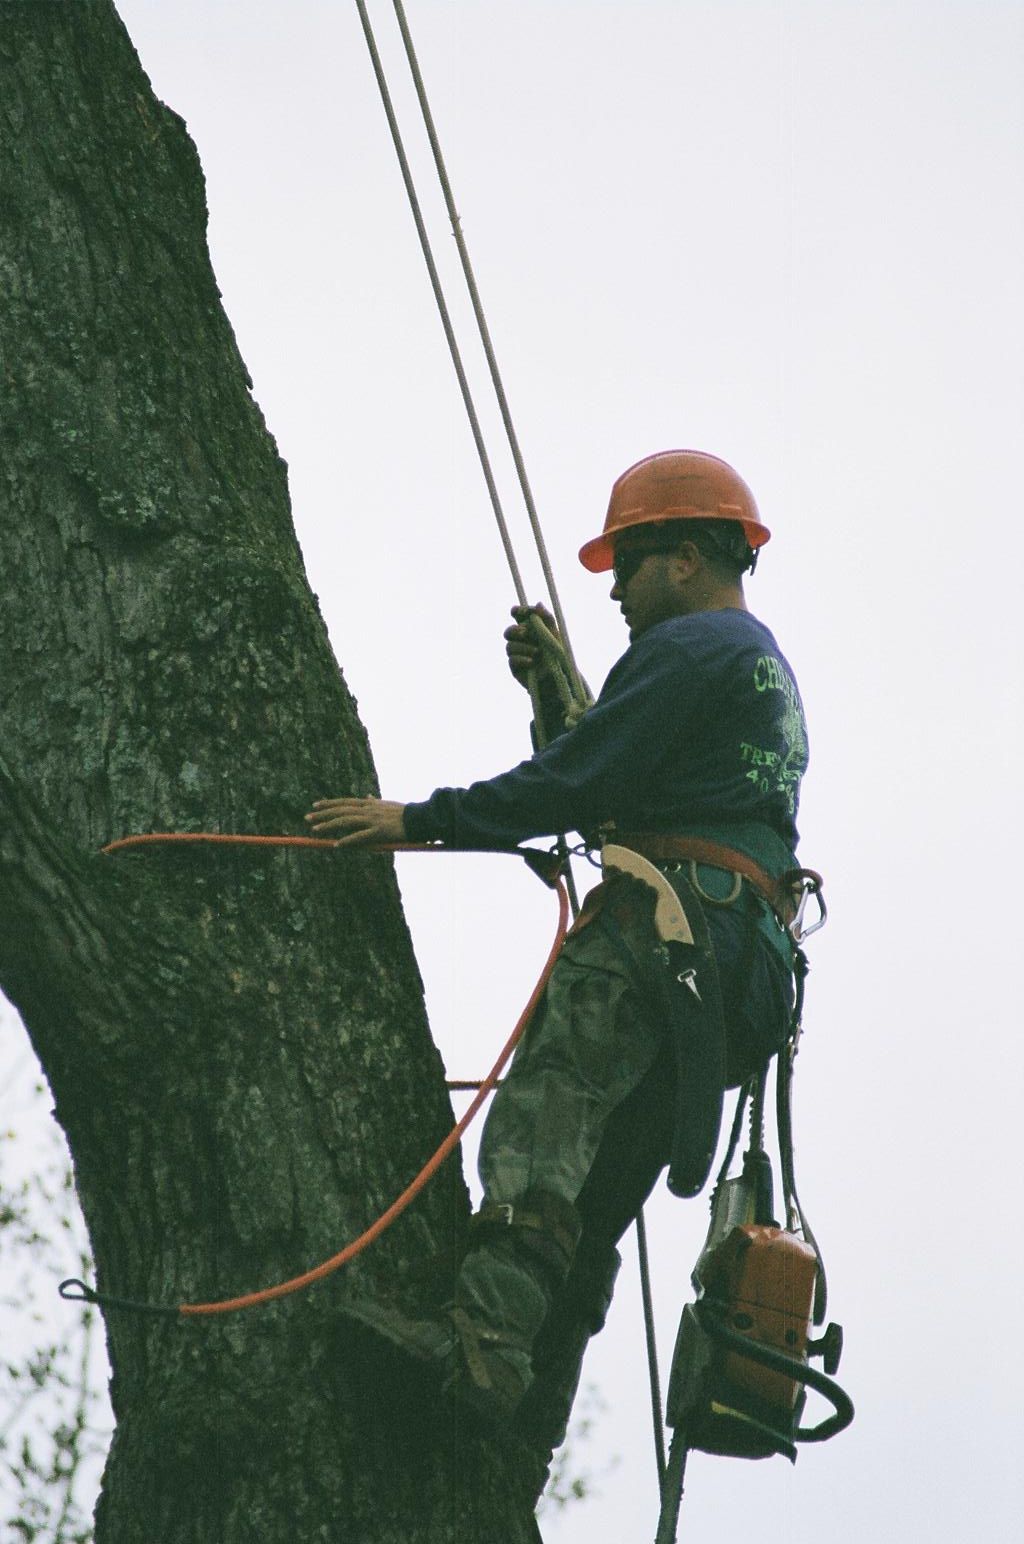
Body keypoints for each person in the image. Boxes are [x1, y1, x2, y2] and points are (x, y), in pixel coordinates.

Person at [306, 450, 809, 1462]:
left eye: (625, 565)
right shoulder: (753, 665)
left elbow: (577, 787)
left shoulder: (687, 649)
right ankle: (523, 1432)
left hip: (664, 939)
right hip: (734, 978)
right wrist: (559, 692)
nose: (615, 590)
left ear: (681, 555)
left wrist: (419, 819)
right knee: (593, 1199)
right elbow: (625, 782)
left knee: (543, 1130)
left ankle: (481, 1344)